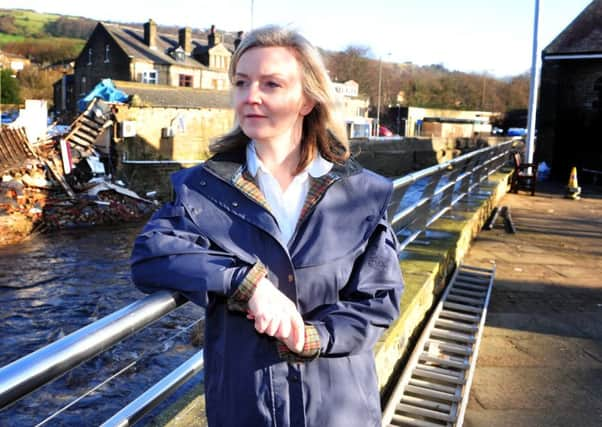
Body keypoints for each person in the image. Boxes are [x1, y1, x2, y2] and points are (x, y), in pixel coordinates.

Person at [131, 25, 404, 427]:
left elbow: (377, 303)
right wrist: (246, 283)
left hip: (337, 409)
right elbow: (151, 256)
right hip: (245, 408)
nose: (251, 97)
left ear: (307, 99)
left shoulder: (361, 194)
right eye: (242, 83)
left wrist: (314, 338)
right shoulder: (201, 188)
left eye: (272, 84)